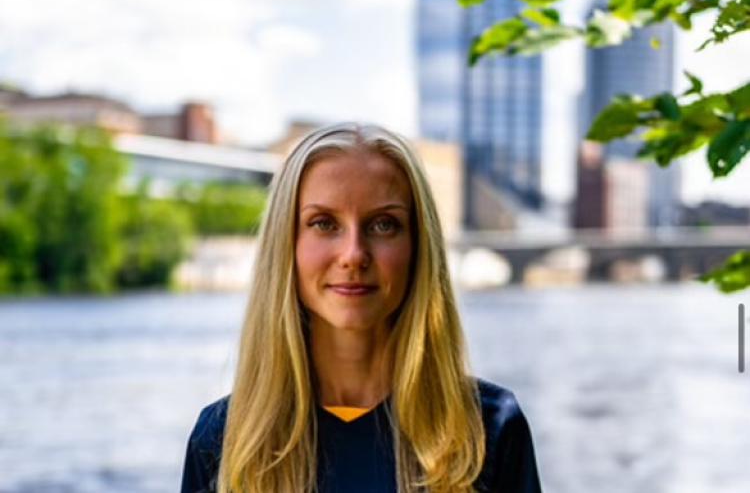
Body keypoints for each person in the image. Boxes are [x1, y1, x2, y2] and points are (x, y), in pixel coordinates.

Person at [180, 123, 542, 493]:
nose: (354, 254)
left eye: (384, 224)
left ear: (418, 247)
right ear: (286, 243)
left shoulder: (489, 431)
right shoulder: (222, 442)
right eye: (324, 223)